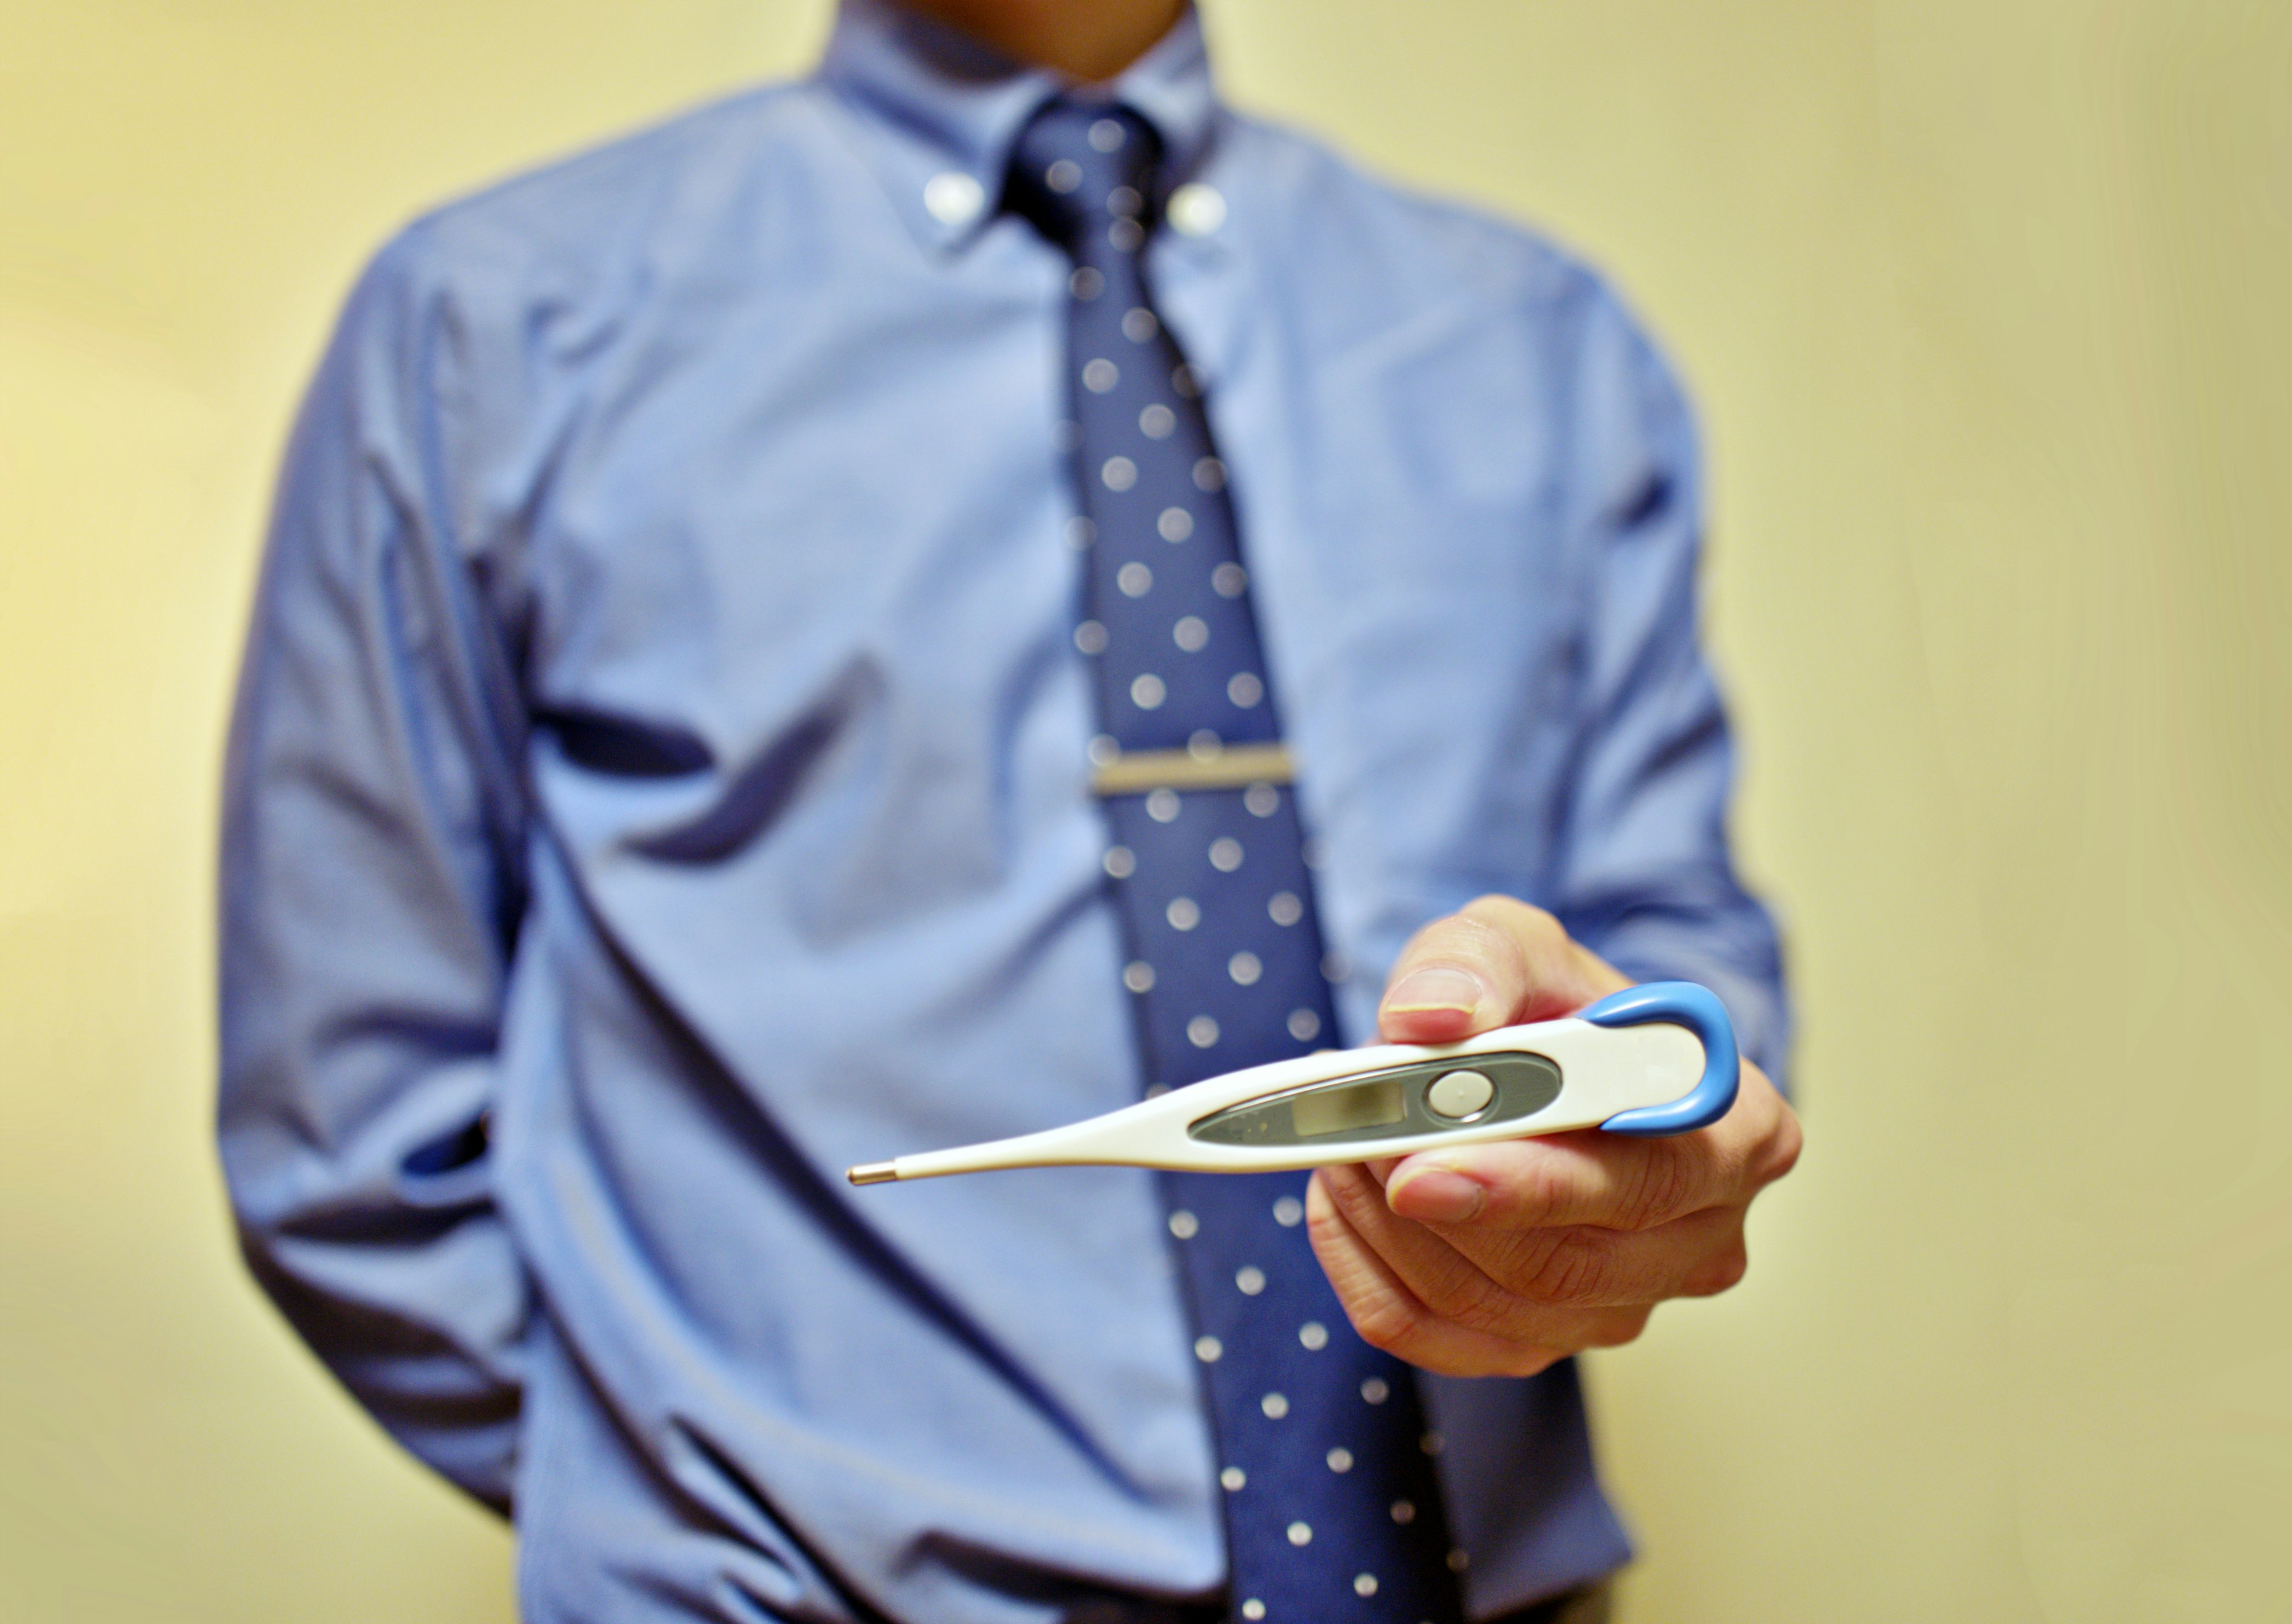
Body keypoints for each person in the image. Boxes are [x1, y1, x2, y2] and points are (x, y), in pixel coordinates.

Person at [215, 1, 1801, 1619]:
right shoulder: (486, 330)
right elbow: (350, 1151)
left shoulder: (1542, 345)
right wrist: (679, 1500)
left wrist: (1625, 1161)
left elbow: (1689, 973)